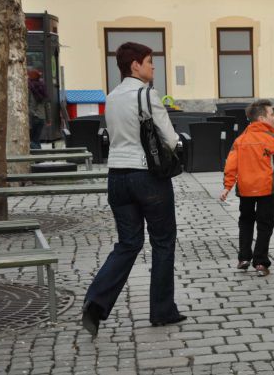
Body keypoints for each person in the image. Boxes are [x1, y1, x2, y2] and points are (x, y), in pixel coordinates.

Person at [82, 42, 185, 337]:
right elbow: (168, 137)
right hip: (147, 177)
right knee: (163, 241)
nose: (153, 67)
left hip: (117, 177)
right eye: (150, 62)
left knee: (128, 244)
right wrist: (177, 143)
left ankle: (96, 301)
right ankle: (163, 310)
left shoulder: (111, 98)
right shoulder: (147, 94)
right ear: (135, 65)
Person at [220, 99, 274, 277]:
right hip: (266, 189)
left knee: (245, 221)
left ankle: (244, 258)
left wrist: (227, 186)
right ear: (261, 118)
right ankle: (260, 262)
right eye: (272, 114)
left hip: (245, 189)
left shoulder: (240, 139)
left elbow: (231, 165)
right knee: (265, 224)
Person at [28, 69, 48, 149]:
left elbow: (30, 104)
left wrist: (32, 114)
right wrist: (48, 119)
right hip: (42, 118)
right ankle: (39, 159)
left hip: (34, 117)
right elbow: (47, 104)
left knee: (32, 140)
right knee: (36, 139)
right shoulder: (42, 86)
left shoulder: (30, 87)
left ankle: (38, 158)